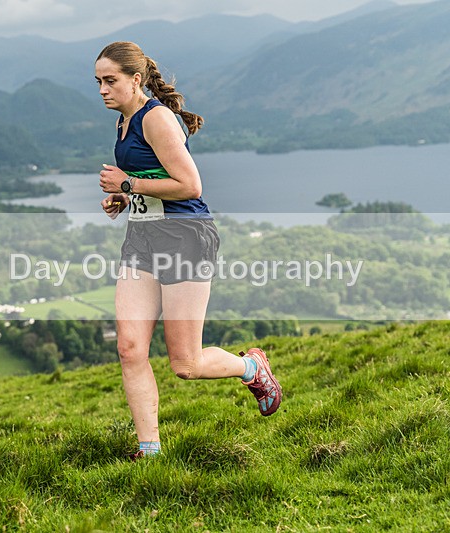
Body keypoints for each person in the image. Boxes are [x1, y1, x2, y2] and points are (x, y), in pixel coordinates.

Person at [95, 41, 282, 460]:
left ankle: (252, 368)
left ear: (135, 79)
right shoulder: (124, 122)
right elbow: (150, 178)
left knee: (186, 364)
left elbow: (190, 186)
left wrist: (127, 185)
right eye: (99, 82)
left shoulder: (157, 119)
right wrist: (125, 200)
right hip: (143, 237)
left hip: (185, 237)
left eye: (111, 81)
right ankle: (150, 451)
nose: (103, 90)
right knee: (129, 347)